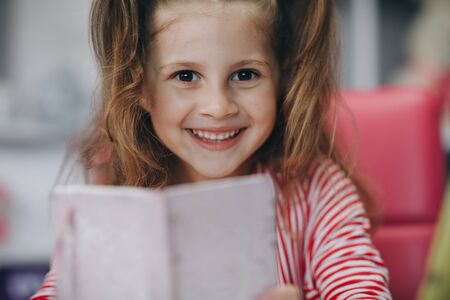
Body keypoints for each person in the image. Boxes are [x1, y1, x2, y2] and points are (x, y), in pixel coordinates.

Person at [31, 0, 392, 299]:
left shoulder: (316, 190)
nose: (218, 107)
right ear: (140, 85)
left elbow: (363, 290)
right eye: (185, 76)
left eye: (245, 75)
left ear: (283, 79)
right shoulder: (120, 197)